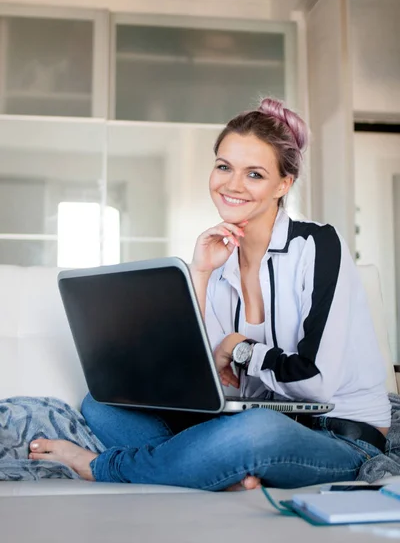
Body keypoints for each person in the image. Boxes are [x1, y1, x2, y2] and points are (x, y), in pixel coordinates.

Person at [28, 98, 391, 491]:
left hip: (338, 438)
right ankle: (217, 470)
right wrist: (199, 273)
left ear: (283, 185)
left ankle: (106, 467)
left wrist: (240, 346)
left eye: (254, 174)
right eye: (224, 166)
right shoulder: (219, 263)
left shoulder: (317, 244)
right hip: (249, 420)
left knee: (254, 431)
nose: (232, 185)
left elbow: (314, 382)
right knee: (102, 405)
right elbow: (213, 387)